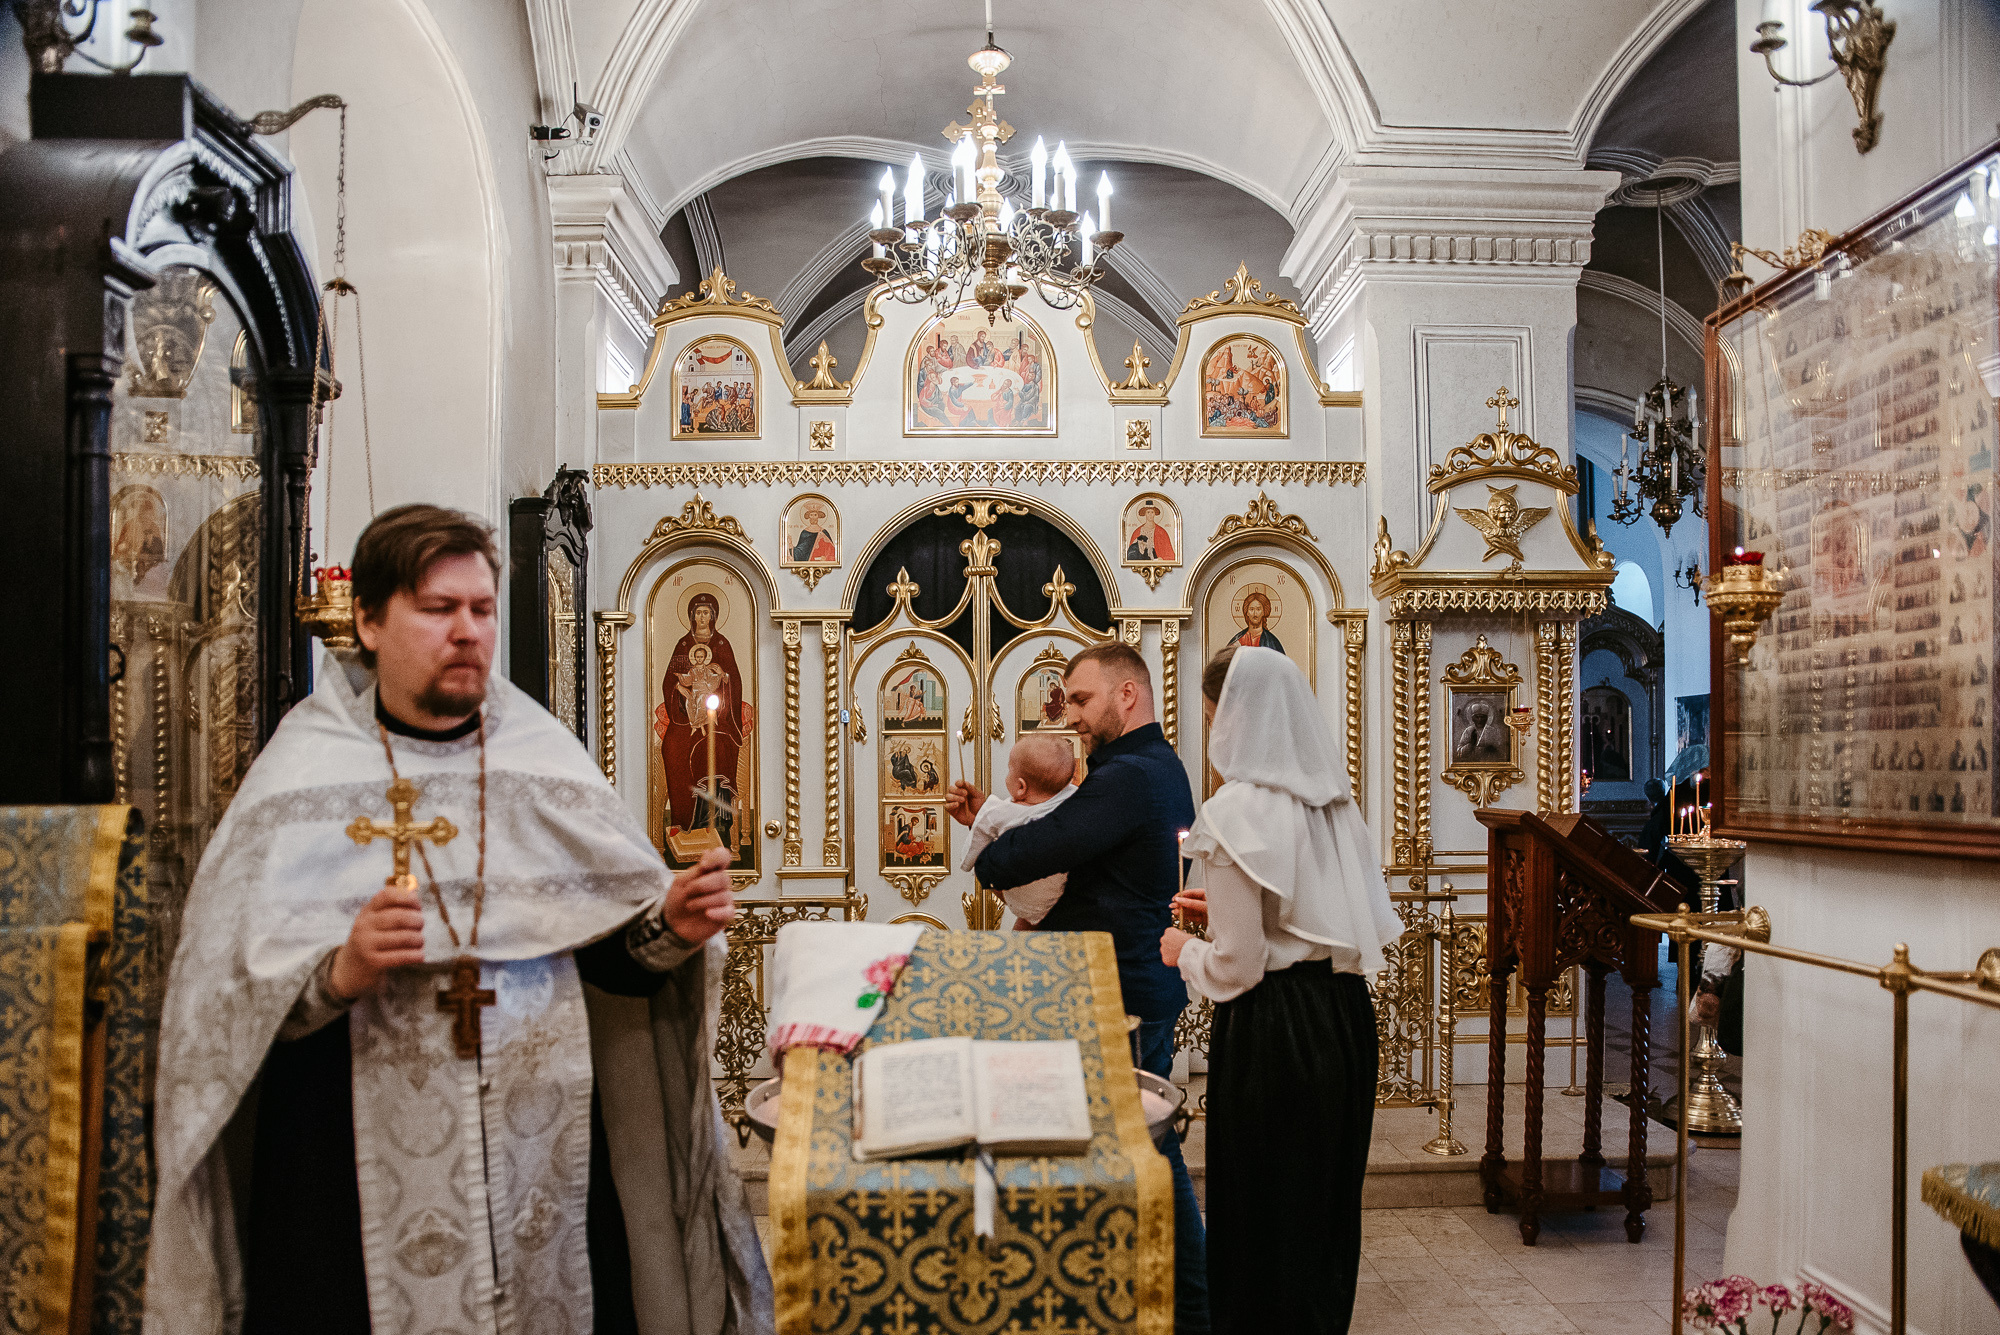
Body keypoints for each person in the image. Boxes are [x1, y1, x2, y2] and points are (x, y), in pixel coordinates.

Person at [143, 505, 773, 1335]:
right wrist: (340, 972)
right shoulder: (298, 782)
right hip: (348, 1178)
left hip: (542, 1161)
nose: (469, 631)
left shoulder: (541, 763)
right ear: (368, 620)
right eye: (439, 610)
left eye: (481, 609)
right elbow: (222, 1016)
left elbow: (606, 964)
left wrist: (671, 928)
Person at [945, 642, 1208, 1333]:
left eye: (1083, 700)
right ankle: (1143, 1298)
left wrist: (993, 850)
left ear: (1128, 694)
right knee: (1140, 1150)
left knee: (1148, 1152)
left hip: (1121, 989)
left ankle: (1191, 1303)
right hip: (1122, 984)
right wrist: (990, 818)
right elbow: (1069, 837)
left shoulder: (1130, 775)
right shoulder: (1146, 767)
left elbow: (1041, 845)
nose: (1073, 716)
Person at [1160, 645, 1402, 1335]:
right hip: (1344, 1021)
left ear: (1238, 715)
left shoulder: (1234, 811)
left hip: (1276, 1033)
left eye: (1214, 715)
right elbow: (1317, 915)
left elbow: (1239, 966)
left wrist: (1183, 951)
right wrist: (1233, 915)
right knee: (1322, 1210)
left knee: (1263, 1214)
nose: (1215, 732)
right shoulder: (1333, 804)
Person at [958, 734, 1081, 928]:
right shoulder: (1075, 800)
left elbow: (978, 848)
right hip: (1059, 895)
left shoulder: (1001, 813)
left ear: (1021, 787)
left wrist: (967, 861)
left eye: (1009, 770)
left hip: (1028, 904)